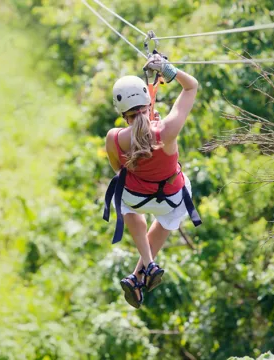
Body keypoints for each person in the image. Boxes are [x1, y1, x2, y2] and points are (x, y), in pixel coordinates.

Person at [104, 53, 201, 308]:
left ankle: (145, 268)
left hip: (136, 197)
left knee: (121, 192)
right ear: (148, 103)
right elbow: (192, 86)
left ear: (122, 113)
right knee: (169, 215)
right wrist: (169, 70)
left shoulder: (114, 138)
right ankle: (142, 271)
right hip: (171, 198)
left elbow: (119, 169)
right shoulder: (167, 130)